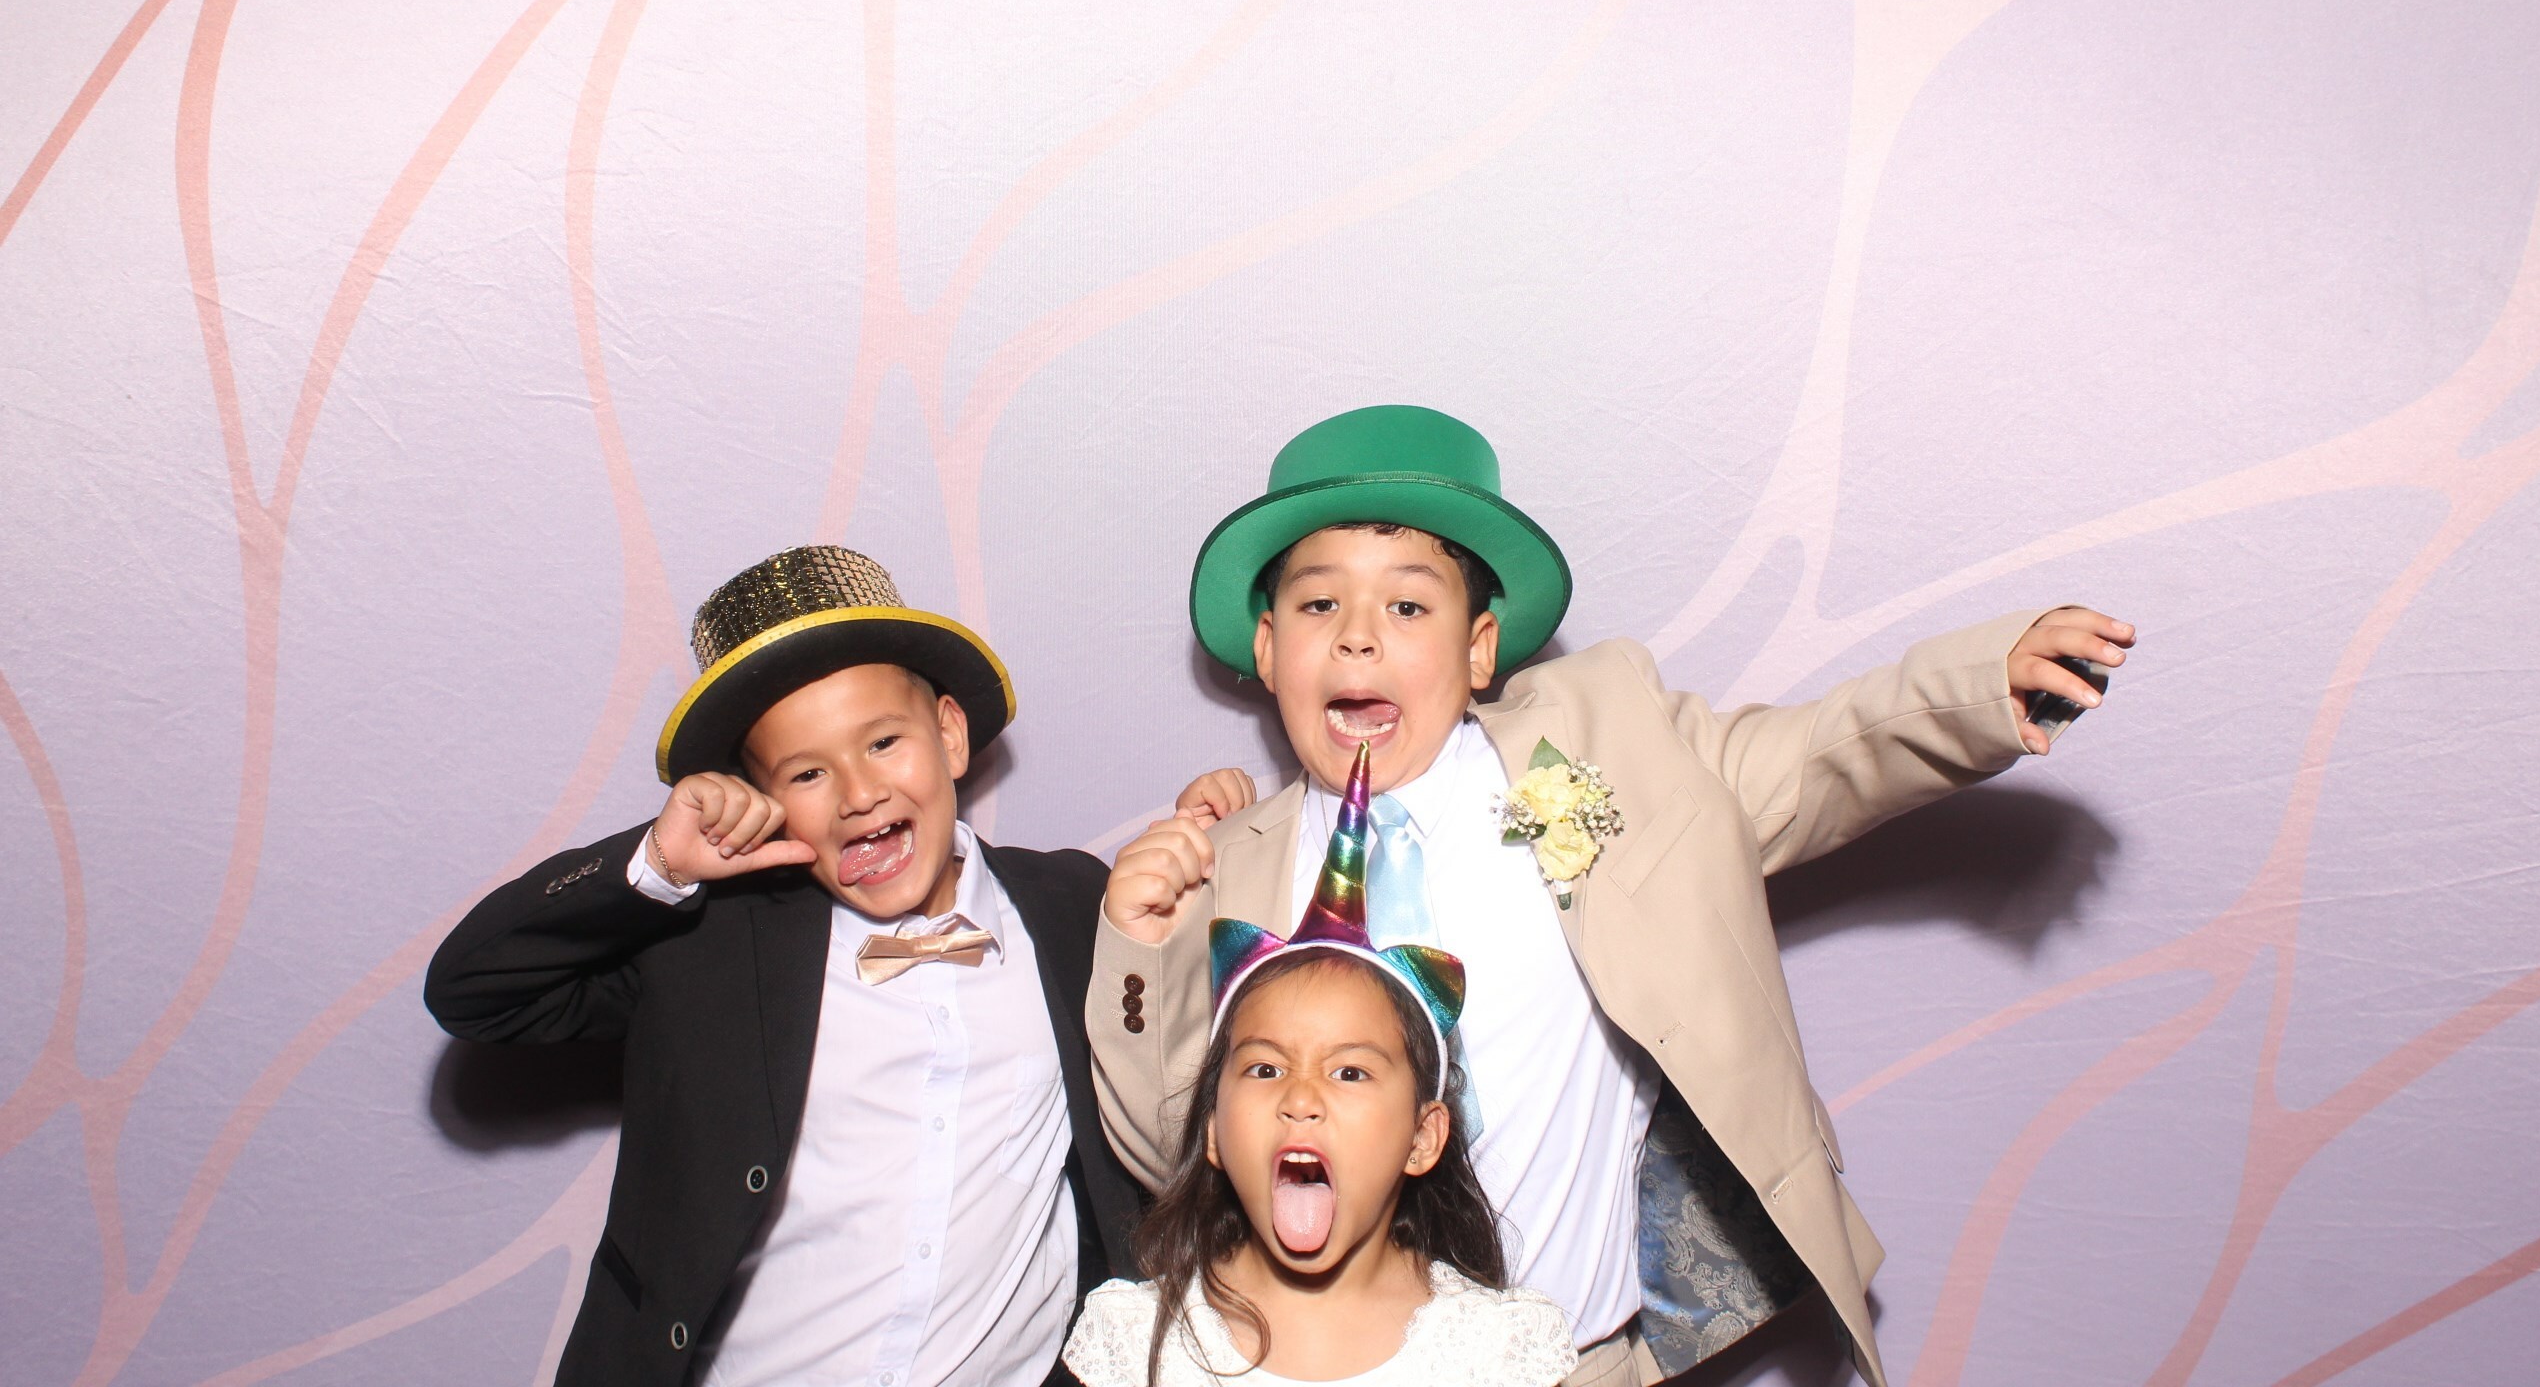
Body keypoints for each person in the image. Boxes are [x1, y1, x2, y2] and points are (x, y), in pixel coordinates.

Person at [1087, 406, 2135, 1387]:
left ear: (1479, 648)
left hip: (1574, 1362)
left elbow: (1814, 758)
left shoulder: (1599, 753)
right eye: (1319, 603)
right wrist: (1138, 949)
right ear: (1269, 649)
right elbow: (1178, 1152)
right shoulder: (1223, 867)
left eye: (1408, 604)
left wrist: (1973, 690)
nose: (1358, 636)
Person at [426, 545, 1142, 1386]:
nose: (859, 793)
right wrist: (658, 864)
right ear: (760, 800)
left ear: (950, 734)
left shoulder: (1075, 905)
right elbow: (474, 992)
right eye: (807, 772)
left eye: (883, 741)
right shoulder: (713, 944)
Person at [1063, 745, 1575, 1387]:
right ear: (1213, 1129)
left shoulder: (1501, 1350)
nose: (1300, 1099)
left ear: (1424, 1137)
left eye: (1350, 1072)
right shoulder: (1133, 1343)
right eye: (1265, 1069)